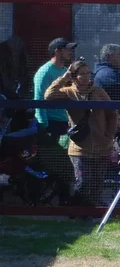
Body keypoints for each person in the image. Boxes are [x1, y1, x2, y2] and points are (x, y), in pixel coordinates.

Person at [43, 60, 119, 206]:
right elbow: (49, 95)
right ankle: (77, 211)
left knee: (96, 183)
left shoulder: (99, 92)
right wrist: (64, 77)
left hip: (101, 146)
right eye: (81, 74)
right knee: (83, 182)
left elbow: (112, 114)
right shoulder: (68, 92)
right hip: (79, 147)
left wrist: (109, 135)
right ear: (74, 76)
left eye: (88, 73)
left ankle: (91, 214)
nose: (85, 77)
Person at [33, 37, 77, 201]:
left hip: (64, 123)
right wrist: (43, 126)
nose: (70, 52)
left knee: (65, 164)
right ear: (57, 51)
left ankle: (64, 199)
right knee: (56, 164)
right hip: (51, 125)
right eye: (67, 49)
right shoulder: (45, 72)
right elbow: (39, 99)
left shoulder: (64, 70)